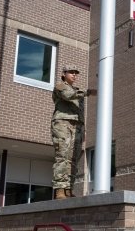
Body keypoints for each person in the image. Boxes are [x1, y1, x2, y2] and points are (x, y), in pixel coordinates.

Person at [51, 65, 96, 200]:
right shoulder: (60, 86)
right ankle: (60, 189)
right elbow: (68, 95)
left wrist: (83, 129)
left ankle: (69, 188)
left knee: (73, 158)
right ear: (64, 74)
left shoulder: (78, 91)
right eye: (71, 72)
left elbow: (80, 112)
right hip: (62, 124)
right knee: (62, 155)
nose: (74, 75)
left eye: (76, 73)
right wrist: (88, 92)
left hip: (77, 127)